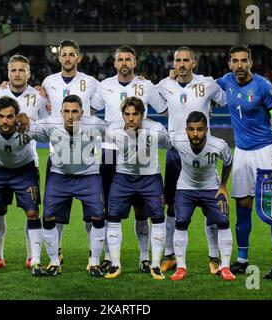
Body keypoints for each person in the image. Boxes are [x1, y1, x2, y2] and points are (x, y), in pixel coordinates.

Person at [217, 45, 272, 279]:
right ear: (229, 63)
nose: (239, 65)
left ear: (250, 62)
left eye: (243, 61)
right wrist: (175, 76)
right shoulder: (226, 81)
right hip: (241, 153)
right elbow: (202, 86)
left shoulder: (264, 86)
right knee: (243, 207)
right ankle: (242, 259)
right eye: (235, 61)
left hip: (265, 151)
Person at [91, 45, 165, 274]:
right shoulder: (104, 86)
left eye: (128, 59)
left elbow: (163, 108)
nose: (124, 63)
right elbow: (91, 111)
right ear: (114, 63)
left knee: (142, 209)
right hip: (110, 151)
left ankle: (144, 258)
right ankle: (108, 257)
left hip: (139, 152)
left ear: (135, 63)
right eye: (120, 59)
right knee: (108, 209)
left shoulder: (146, 85)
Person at [156, 46, 227, 275]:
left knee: (211, 207)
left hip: (203, 152)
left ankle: (214, 257)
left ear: (194, 63)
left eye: (187, 60)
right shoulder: (164, 85)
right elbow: (148, 97)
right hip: (176, 153)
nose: (183, 64)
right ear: (173, 64)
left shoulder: (208, 83)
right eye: (178, 60)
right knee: (171, 206)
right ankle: (170, 255)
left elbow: (225, 100)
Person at [28, 95, 106, 277]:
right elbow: (27, 128)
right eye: (66, 111)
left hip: (89, 176)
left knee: (98, 216)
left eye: (75, 112)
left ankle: (94, 262)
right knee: (48, 217)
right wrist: (24, 119)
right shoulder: (50, 124)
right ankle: (54, 261)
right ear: (61, 112)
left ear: (82, 113)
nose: (70, 116)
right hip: (59, 176)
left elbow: (115, 133)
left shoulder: (94, 124)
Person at [0, 54, 49, 270]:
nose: (18, 74)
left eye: (22, 70)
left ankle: (32, 256)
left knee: (31, 211)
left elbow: (45, 129)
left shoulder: (38, 98)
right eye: (14, 70)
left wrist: (30, 122)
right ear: (8, 73)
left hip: (27, 164)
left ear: (29, 73)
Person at [41, 40, 99, 269]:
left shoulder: (92, 83)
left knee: (92, 215)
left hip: (86, 158)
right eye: (63, 54)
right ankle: (57, 253)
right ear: (59, 58)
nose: (67, 58)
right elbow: (42, 108)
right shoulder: (48, 82)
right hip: (58, 157)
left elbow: (98, 111)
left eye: (72, 54)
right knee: (54, 214)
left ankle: (92, 256)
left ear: (79, 58)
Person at [0, 96, 44, 277]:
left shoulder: (28, 128)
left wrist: (30, 118)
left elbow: (50, 131)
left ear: (17, 116)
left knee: (33, 213)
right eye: (1, 116)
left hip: (24, 170)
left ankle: (35, 260)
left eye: (10, 117)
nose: (5, 121)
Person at [104, 96, 171, 280]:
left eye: (135, 114)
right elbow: (107, 156)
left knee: (157, 218)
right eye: (127, 114)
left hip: (150, 178)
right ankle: (115, 264)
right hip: (122, 178)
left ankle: (154, 265)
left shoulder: (156, 129)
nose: (131, 118)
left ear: (143, 115)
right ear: (122, 115)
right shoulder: (112, 131)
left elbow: (169, 144)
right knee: (113, 218)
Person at [169, 111, 235, 281]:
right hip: (185, 188)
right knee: (181, 222)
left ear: (207, 129)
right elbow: (160, 136)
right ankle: (181, 267)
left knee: (223, 221)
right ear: (186, 130)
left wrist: (223, 186)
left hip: (212, 188)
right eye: (191, 129)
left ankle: (225, 267)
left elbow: (228, 161)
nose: (195, 134)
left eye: (200, 129)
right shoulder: (177, 139)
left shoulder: (218, 145)